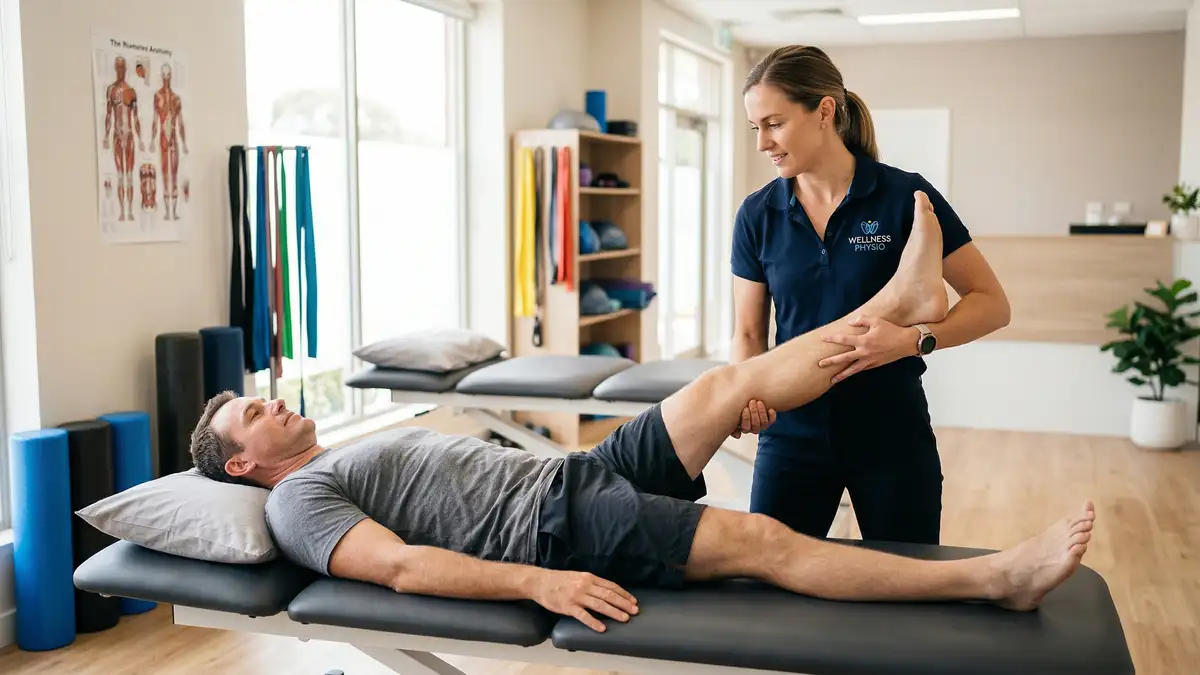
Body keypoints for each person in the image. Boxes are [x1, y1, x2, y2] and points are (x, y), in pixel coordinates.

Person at [188, 196, 1091, 634]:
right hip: (551, 529)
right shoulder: (294, 502)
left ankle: (899, 302)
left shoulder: (331, 454)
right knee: (761, 540)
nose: (270, 401)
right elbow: (402, 567)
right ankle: (991, 579)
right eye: (251, 416)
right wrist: (537, 583)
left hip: (570, 477)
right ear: (242, 466)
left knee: (718, 388)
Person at [730, 45, 1012, 545]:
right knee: (770, 592)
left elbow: (992, 303)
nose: (763, 144)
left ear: (823, 111)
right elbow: (749, 332)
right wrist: (744, 396)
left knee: (908, 587)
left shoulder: (905, 197)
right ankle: (905, 296)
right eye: (756, 128)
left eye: (773, 124)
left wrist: (913, 341)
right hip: (793, 433)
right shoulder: (758, 215)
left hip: (890, 429)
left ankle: (910, 303)